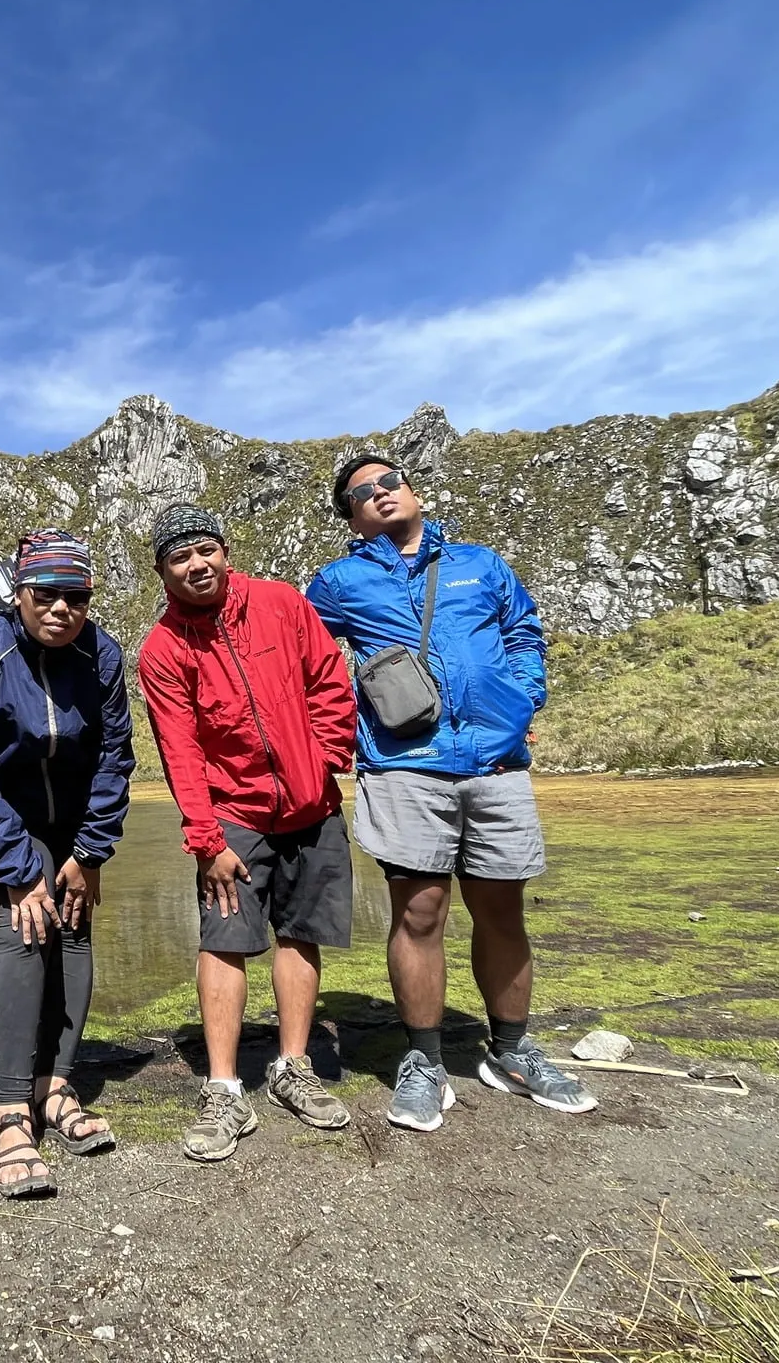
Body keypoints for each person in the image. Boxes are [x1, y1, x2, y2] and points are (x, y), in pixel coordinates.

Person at [305, 454, 596, 1133]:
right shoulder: (340, 581)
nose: (379, 495)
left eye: (388, 483)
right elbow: (307, 657)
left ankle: (513, 1050)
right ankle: (425, 1062)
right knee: (420, 915)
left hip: (495, 763)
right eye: (361, 494)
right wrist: (351, 721)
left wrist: (523, 696)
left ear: (413, 490)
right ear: (349, 515)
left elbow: (524, 630)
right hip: (405, 767)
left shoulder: (480, 564)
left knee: (502, 910)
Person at [135, 504, 360, 1163]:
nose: (196, 564)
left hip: (311, 804)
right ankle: (225, 1087)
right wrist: (206, 838)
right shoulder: (163, 650)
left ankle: (293, 1066)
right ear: (163, 572)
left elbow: (328, 682)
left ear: (225, 552)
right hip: (232, 815)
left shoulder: (281, 604)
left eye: (204, 549)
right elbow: (180, 750)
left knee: (301, 931)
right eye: (180, 557)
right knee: (225, 938)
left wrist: (323, 760)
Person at [0, 531, 135, 1198]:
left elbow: (113, 757)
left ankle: (56, 1085)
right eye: (44, 594)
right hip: (8, 816)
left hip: (75, 818)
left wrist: (90, 850)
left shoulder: (101, 654)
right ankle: (10, 1114)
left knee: (74, 927)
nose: (60, 609)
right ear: (18, 595)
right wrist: (19, 866)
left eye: (75, 596)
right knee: (23, 926)